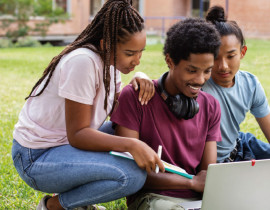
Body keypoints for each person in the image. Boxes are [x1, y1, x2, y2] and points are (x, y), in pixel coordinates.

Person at [11, 0, 165, 209]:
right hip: (36, 157)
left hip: (63, 146)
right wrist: (132, 145)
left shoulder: (110, 64)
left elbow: (119, 115)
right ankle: (53, 206)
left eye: (141, 52)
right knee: (131, 176)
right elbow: (79, 135)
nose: (137, 60)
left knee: (133, 128)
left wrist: (139, 78)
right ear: (105, 45)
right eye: (130, 53)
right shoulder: (83, 61)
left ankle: (79, 202)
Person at [110, 18, 222, 210]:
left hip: (199, 200)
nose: (200, 79)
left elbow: (207, 174)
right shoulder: (134, 98)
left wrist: (199, 185)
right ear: (170, 61)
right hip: (152, 198)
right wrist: (190, 183)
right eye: (192, 70)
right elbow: (127, 172)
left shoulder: (211, 106)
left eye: (207, 71)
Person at [203, 6, 270, 163]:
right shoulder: (197, 85)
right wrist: (140, 75)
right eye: (215, 57)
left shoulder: (250, 84)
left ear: (242, 52)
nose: (223, 66)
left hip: (241, 146)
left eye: (231, 56)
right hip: (218, 163)